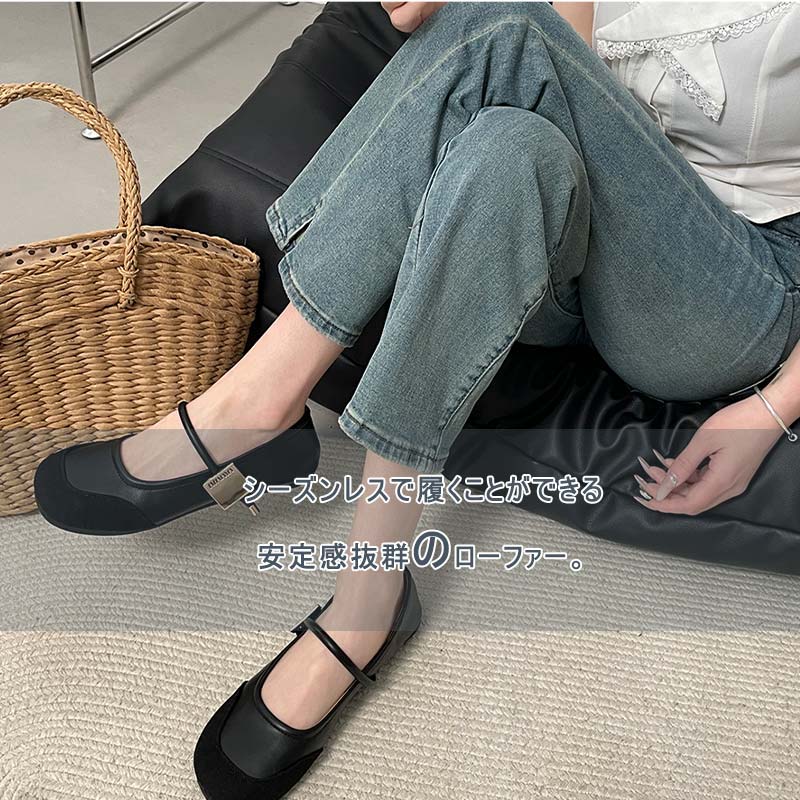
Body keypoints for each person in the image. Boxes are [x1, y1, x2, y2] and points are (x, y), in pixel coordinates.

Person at [34, 3, 800, 799]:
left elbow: (520, 42)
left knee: (505, 26)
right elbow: (562, 82)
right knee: (508, 145)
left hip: (745, 287)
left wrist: (773, 407)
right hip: (609, 232)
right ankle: (374, 591)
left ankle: (258, 402)